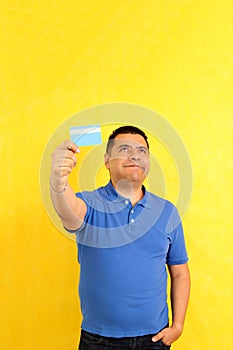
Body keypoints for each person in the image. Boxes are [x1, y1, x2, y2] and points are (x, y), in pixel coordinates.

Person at [50, 125, 190, 350]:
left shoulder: (167, 212)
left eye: (142, 151)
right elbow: (68, 211)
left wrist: (178, 326)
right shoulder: (90, 203)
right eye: (124, 149)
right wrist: (58, 182)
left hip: (154, 340)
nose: (135, 155)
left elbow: (180, 272)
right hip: (98, 341)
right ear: (107, 161)